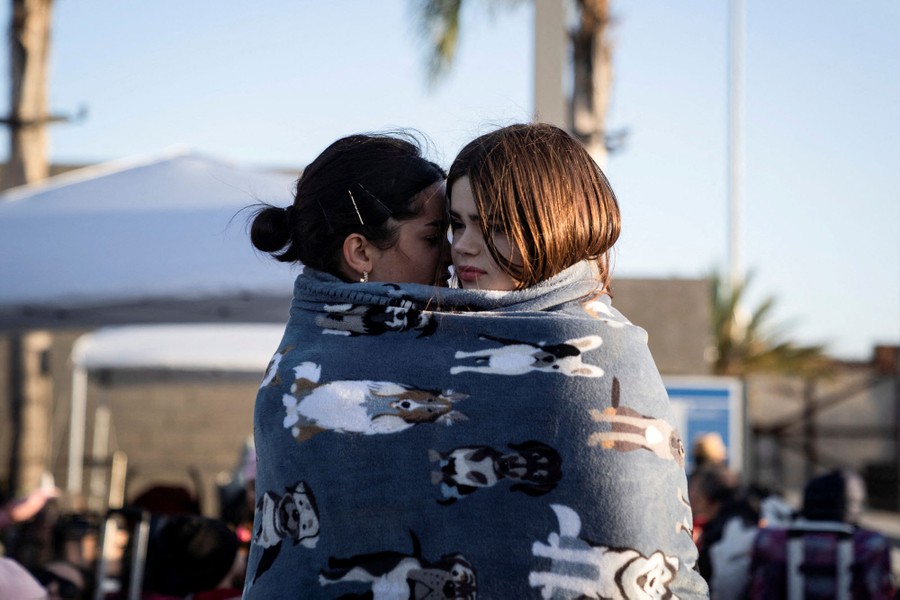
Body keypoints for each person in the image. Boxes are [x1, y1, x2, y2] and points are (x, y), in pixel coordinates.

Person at [243, 123, 707, 598]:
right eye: (450, 227)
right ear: (359, 251)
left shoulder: (597, 351)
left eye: (495, 226)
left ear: (553, 224)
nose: (458, 247)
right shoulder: (305, 367)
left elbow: (652, 553)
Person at [748, 468, 896, 599]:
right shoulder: (871, 544)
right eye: (855, 502)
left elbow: (759, 590)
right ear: (847, 506)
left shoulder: (770, 540)